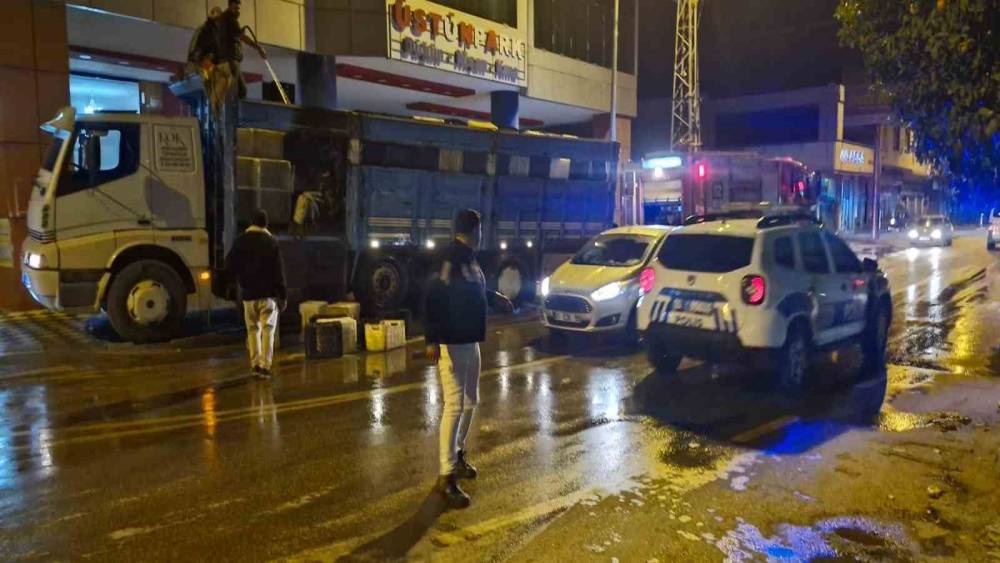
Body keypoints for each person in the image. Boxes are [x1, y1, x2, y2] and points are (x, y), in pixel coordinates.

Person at [424, 209, 514, 509]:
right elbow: (433, 296)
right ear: (475, 230)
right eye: (480, 229)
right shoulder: (450, 257)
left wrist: (494, 297)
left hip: (469, 339)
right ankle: (446, 476)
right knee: (454, 405)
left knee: (471, 400)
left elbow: (471, 289)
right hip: (451, 341)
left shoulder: (468, 258)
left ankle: (458, 455)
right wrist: (432, 339)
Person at [225, 209, 287, 379]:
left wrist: (233, 284)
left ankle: (255, 365)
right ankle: (266, 366)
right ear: (265, 224)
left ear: (251, 223)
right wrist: (282, 295)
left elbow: (229, 265)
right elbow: (279, 272)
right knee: (268, 330)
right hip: (268, 296)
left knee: (252, 330)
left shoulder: (240, 241)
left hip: (248, 295)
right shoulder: (272, 242)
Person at [215, 0, 266, 101]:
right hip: (231, 60)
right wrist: (258, 48)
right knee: (241, 91)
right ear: (230, 6)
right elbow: (242, 37)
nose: (237, 10)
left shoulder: (222, 20)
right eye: (236, 7)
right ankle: (236, 109)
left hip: (223, 61)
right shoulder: (230, 20)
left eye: (238, 8)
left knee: (231, 90)